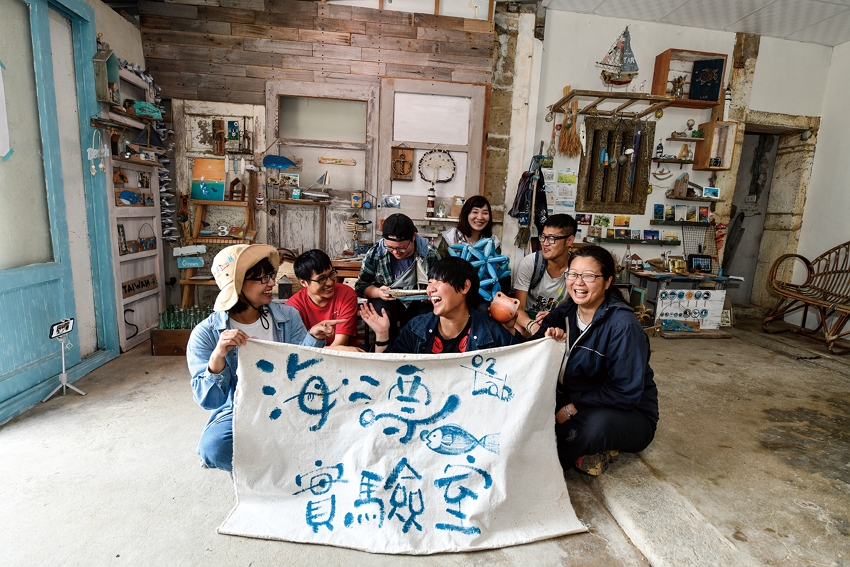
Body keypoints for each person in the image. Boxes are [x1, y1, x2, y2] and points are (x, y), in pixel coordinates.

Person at [187, 244, 343, 472]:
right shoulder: (207, 333)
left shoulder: (287, 316)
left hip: (290, 400)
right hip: (239, 408)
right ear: (238, 286)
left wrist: (313, 337)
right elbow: (210, 401)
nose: (272, 283)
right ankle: (276, 464)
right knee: (215, 448)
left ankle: (274, 461)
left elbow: (301, 370)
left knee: (341, 427)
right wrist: (218, 356)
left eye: (271, 275)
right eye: (262, 279)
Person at [531, 246, 658, 475]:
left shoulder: (623, 327)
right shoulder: (568, 310)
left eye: (589, 276)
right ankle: (590, 452)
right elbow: (533, 345)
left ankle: (543, 470)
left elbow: (625, 392)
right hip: (579, 397)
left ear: (607, 281)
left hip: (625, 412)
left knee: (587, 429)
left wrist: (573, 407)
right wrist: (549, 341)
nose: (578, 283)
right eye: (573, 274)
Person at [360, 256, 522, 354]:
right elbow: (388, 372)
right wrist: (382, 335)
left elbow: (527, 362)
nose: (430, 289)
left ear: (465, 286)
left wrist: (511, 330)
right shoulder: (416, 328)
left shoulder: (491, 332)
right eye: (429, 282)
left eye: (439, 281)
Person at [354, 213, 441, 344]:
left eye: (402, 248)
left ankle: (420, 352)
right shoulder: (375, 253)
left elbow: (443, 285)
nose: (396, 252)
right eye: (390, 248)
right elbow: (361, 286)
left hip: (419, 302)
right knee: (384, 314)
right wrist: (378, 292)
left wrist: (434, 295)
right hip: (388, 301)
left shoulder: (430, 253)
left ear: (414, 236)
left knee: (425, 317)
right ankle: (386, 351)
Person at [513, 213, 577, 338]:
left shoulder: (576, 269)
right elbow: (517, 308)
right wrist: (532, 326)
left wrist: (555, 317)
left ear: (569, 240)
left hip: (558, 319)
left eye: (552, 238)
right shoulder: (531, 263)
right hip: (528, 317)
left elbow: (580, 308)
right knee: (518, 331)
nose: (545, 243)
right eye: (543, 237)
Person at [287, 249, 360, 347]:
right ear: (303, 282)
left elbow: (341, 343)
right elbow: (298, 349)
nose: (330, 283)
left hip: (344, 355)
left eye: (331, 274)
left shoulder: (346, 294)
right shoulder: (293, 307)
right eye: (321, 279)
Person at [436, 195, 501, 258]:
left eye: (485, 213)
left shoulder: (492, 241)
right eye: (475, 212)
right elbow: (438, 266)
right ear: (466, 214)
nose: (480, 217)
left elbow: (498, 265)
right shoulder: (451, 238)